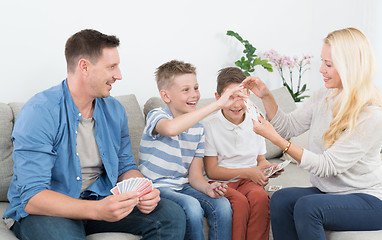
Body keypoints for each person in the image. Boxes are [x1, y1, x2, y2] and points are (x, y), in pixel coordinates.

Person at [3, 29, 186, 240]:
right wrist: (98, 210)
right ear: (84, 67)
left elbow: (125, 166)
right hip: (48, 209)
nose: (119, 75)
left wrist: (143, 191)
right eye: (111, 67)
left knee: (171, 214)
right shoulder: (40, 112)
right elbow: (33, 197)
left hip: (99, 198)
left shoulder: (115, 110)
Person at [241, 27, 382, 240]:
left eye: (329, 64)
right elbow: (288, 127)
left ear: (349, 67)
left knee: (308, 207)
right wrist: (266, 96)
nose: (321, 70)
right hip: (332, 193)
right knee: (280, 199)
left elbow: (327, 166)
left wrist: (276, 140)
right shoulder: (324, 96)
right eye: (322, 62)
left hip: (371, 200)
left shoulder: (370, 115)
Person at [138, 60, 244, 240]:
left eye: (196, 88)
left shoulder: (199, 129)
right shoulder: (157, 115)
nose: (194, 94)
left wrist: (207, 188)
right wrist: (216, 105)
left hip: (183, 186)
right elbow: (171, 129)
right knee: (193, 207)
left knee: (223, 205)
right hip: (157, 187)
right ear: (166, 96)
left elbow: (195, 176)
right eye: (186, 90)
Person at [203, 67, 278, 240]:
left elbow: (261, 160)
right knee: (240, 203)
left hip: (248, 180)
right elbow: (212, 171)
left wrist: (269, 168)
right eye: (230, 97)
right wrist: (247, 171)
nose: (237, 104)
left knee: (260, 197)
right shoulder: (210, 125)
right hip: (222, 182)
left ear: (249, 95)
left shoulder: (256, 120)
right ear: (218, 98)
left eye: (241, 97)